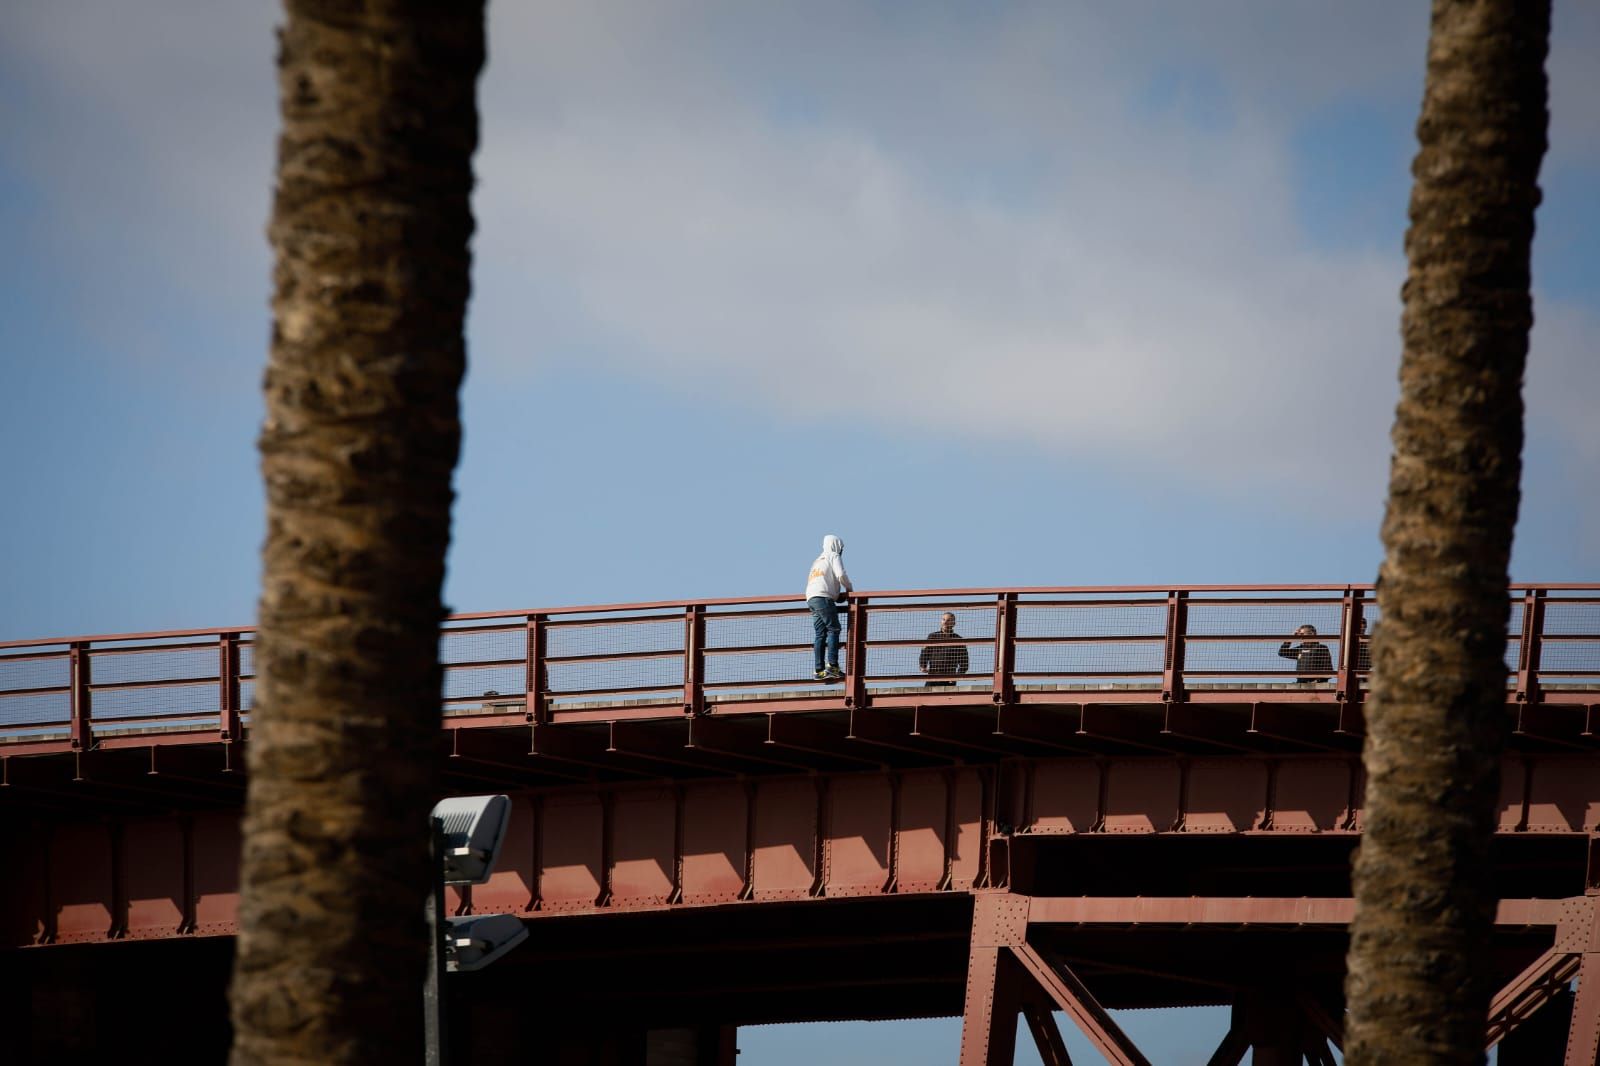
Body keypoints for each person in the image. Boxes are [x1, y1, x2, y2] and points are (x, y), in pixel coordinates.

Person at [805, 534, 853, 682]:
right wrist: (850, 589)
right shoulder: (833, 555)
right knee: (834, 629)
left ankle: (818, 670)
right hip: (823, 597)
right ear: (836, 545)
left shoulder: (817, 561)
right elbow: (841, 575)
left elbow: (823, 580)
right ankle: (832, 666)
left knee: (820, 634)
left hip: (811, 598)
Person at [919, 612, 969, 687]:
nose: (945, 622)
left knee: (948, 698)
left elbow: (964, 663)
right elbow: (924, 653)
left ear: (954, 623)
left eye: (948, 620)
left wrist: (957, 676)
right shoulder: (932, 636)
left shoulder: (958, 640)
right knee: (927, 697)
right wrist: (923, 665)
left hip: (949, 679)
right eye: (943, 619)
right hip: (933, 676)